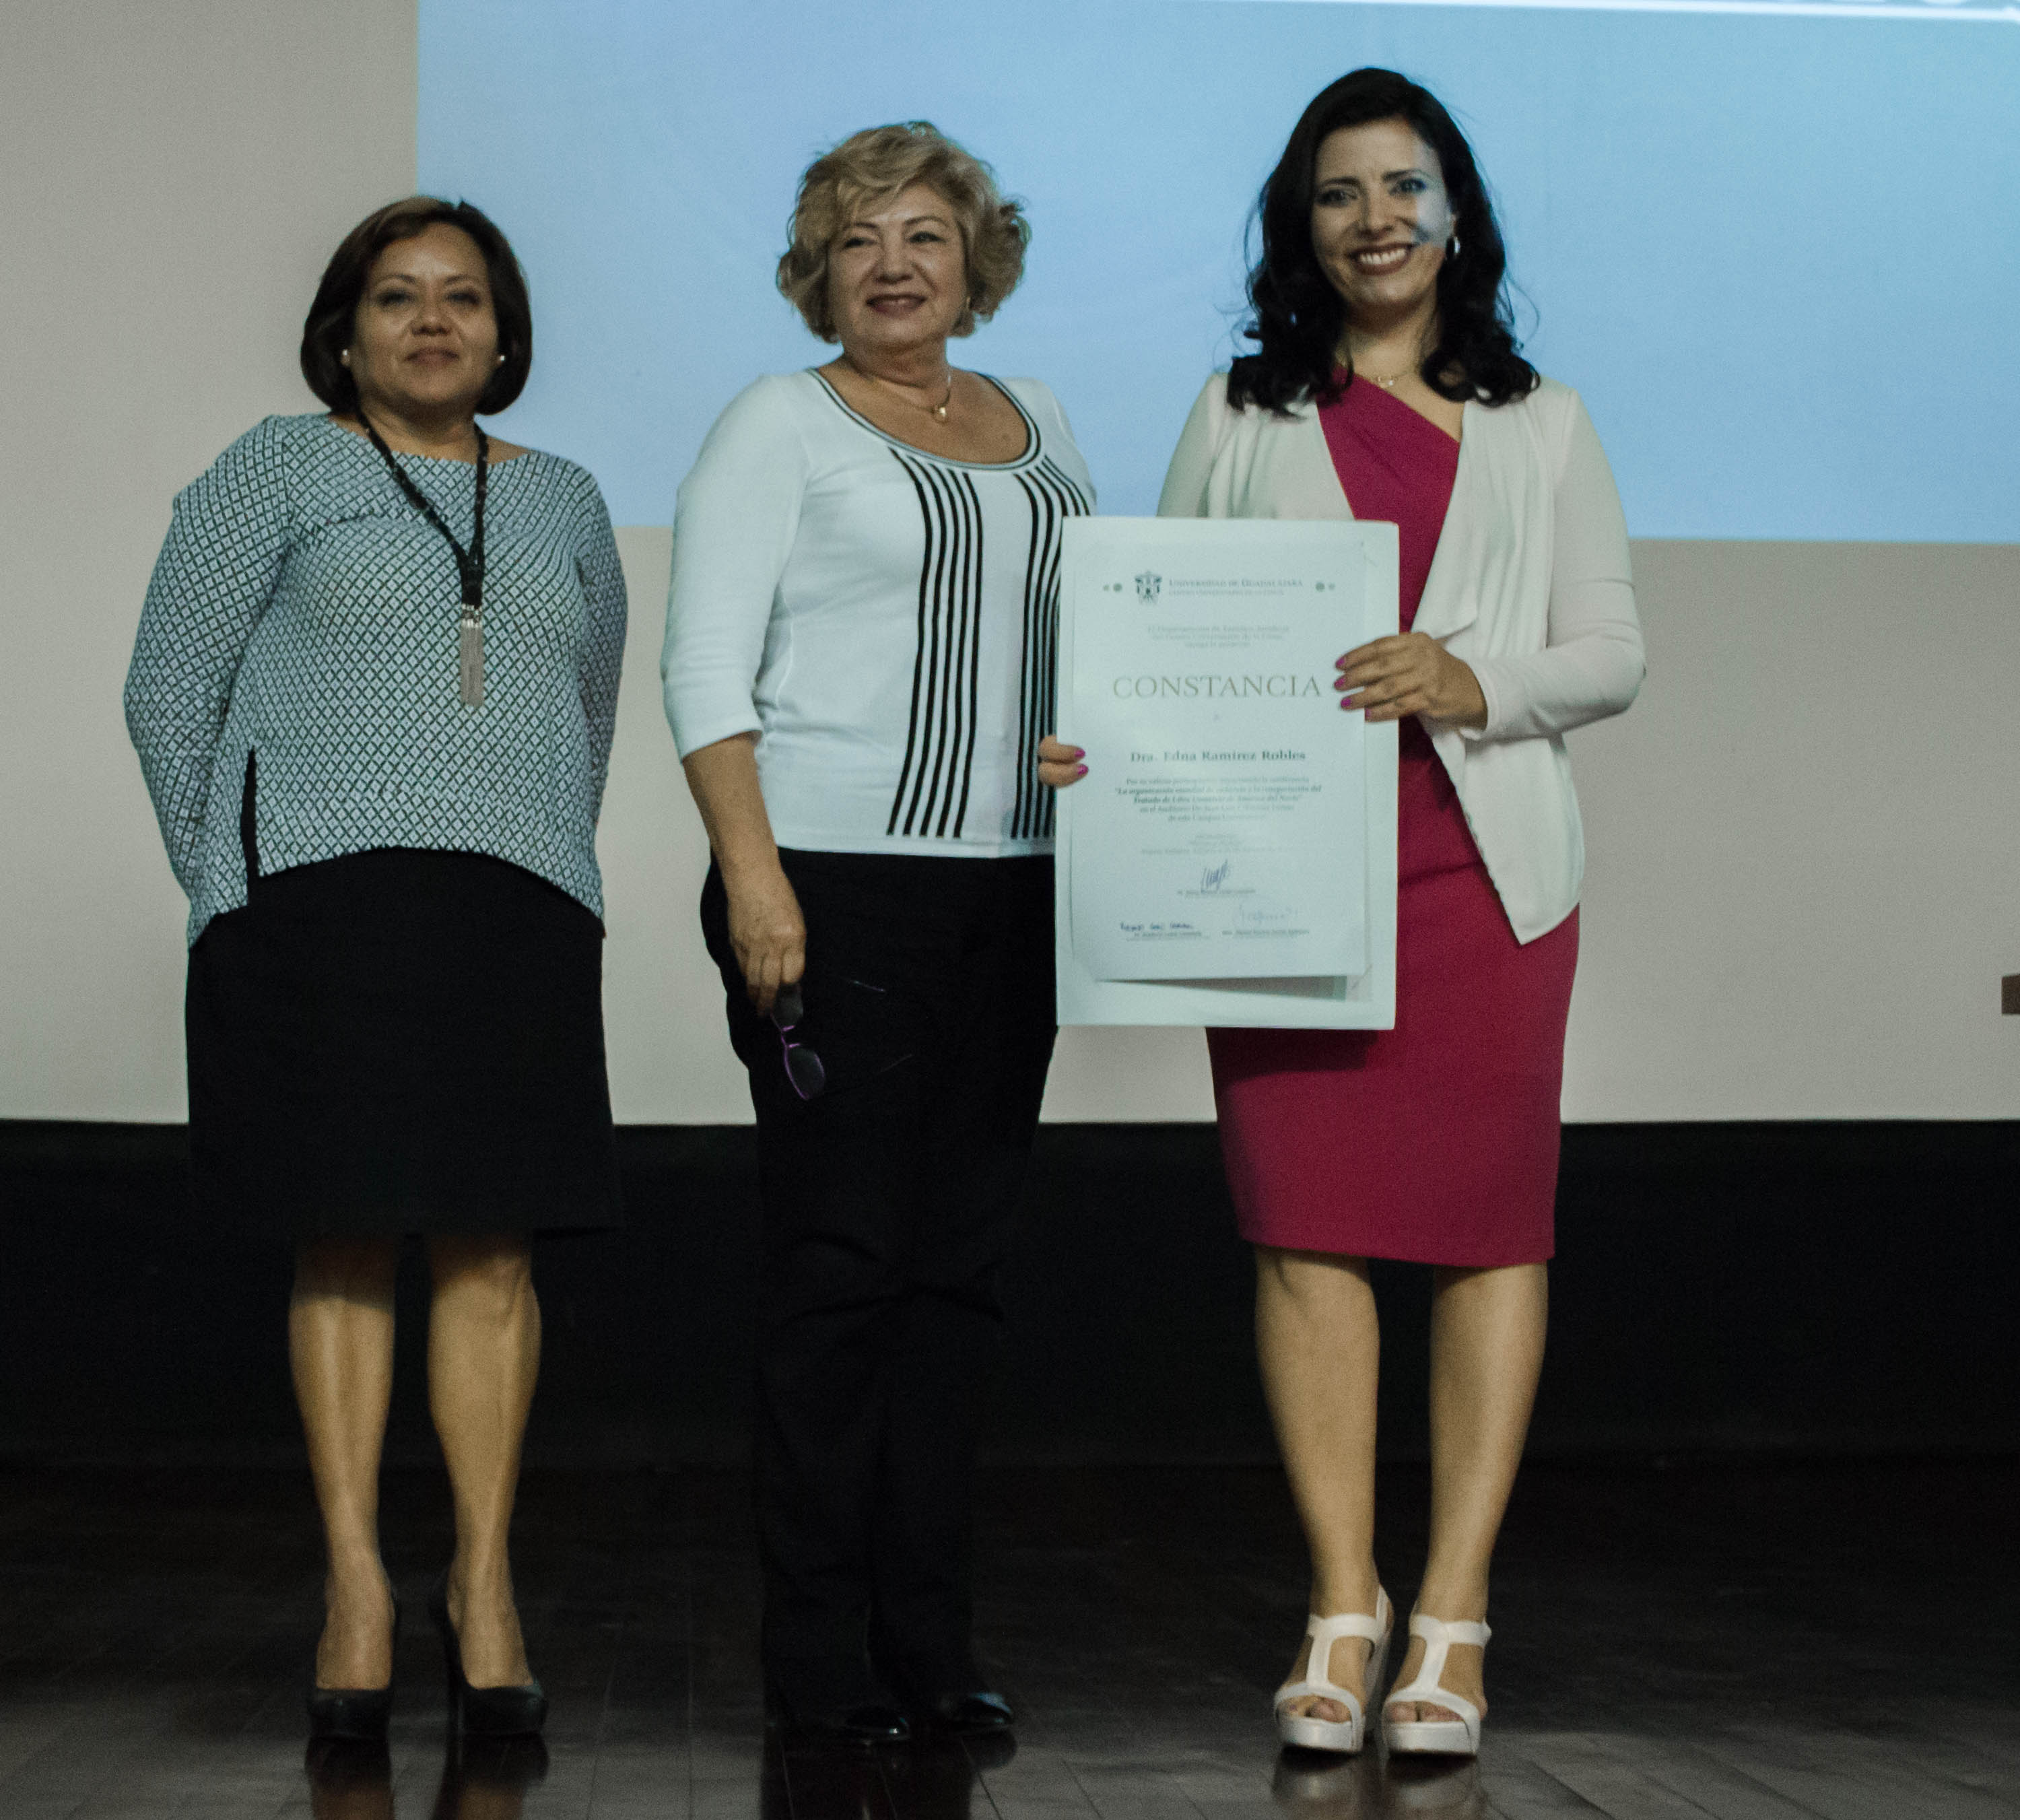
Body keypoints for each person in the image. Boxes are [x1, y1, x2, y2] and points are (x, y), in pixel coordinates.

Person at [1042, 67, 1642, 1757]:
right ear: (1297, 228)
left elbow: (1611, 652)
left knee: (1487, 1234)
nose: (1375, 218)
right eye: (1338, 193)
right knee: (1302, 1231)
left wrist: (1468, 675)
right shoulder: (1242, 409)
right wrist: (1101, 733)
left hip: (1483, 878)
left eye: (1405, 186)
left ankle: (1450, 1618)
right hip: (1277, 878)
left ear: (1458, 215)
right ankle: (1339, 1598)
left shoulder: (1545, 422)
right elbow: (1152, 623)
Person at [123, 196, 627, 1744]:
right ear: (342, 331)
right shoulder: (274, 468)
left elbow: (586, 713)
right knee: (341, 1239)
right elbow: (166, 693)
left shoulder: (568, 501)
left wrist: (539, 851)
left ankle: (480, 1584)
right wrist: (234, 884)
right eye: (396, 297)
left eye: (463, 297)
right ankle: (353, 1586)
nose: (431, 321)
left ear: (504, 331)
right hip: (313, 911)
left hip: (516, 909)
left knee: (493, 1252)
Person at [661, 122, 1093, 1745]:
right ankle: (815, 1652)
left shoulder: (1038, 419)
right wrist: (750, 877)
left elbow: (1069, 638)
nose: (895, 261)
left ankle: (929, 1638)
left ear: (976, 259)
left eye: (925, 232)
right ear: (816, 271)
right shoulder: (775, 425)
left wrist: (1080, 735)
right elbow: (706, 671)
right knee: (838, 1273)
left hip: (1013, 884)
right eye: (858, 239)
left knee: (957, 1277)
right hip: (829, 879)